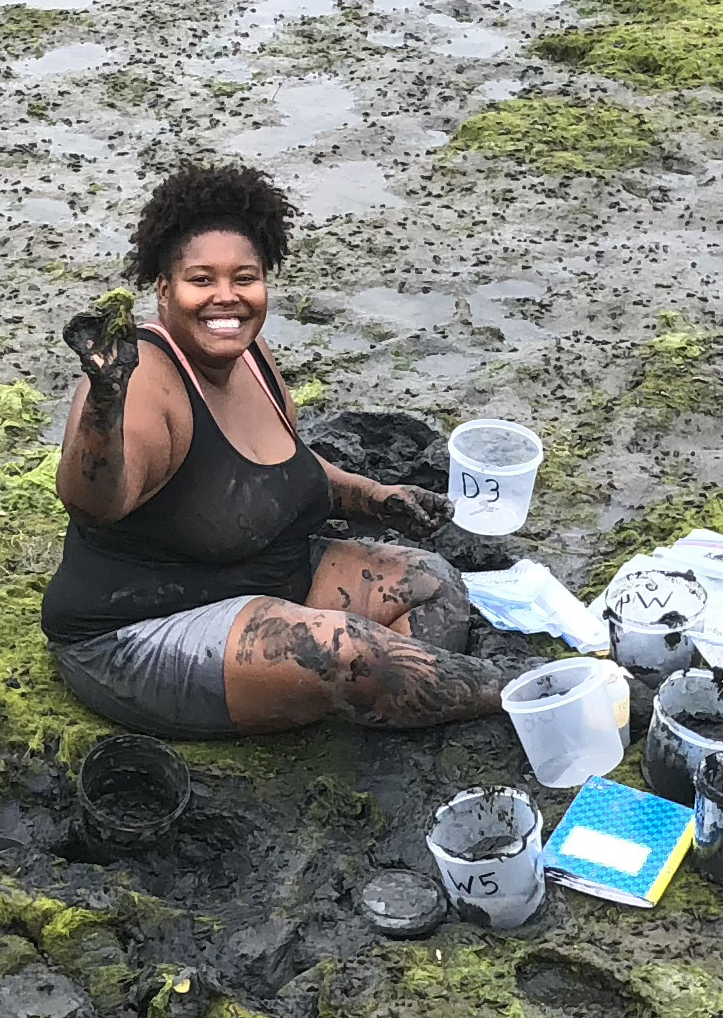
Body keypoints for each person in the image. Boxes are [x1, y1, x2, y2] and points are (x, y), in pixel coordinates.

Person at [39, 163, 505, 738]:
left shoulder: (251, 359)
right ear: (164, 290)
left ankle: (372, 696)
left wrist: (376, 498)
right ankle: (522, 691)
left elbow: (287, 467)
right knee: (345, 652)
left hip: (264, 581)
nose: (226, 298)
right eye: (201, 280)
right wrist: (104, 402)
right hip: (138, 633)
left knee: (432, 582)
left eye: (245, 278)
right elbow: (94, 503)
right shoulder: (139, 380)